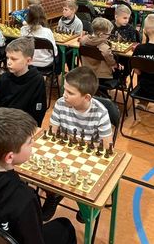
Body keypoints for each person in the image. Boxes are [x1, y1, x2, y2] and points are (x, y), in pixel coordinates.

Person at [0, 107, 77, 244]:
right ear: (9, 157)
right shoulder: (24, 198)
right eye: (29, 142)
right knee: (65, 226)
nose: (33, 143)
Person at [43, 66, 113, 221]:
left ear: (86, 97)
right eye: (64, 89)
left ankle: (85, 205)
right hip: (63, 153)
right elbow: (52, 133)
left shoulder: (100, 113)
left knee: (86, 180)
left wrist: (75, 141)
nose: (64, 95)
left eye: (70, 92)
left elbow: (107, 147)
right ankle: (53, 195)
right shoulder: (61, 103)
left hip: (89, 159)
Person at [0, 37, 47, 126]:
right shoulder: (4, 78)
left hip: (23, 126)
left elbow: (38, 112)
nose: (8, 62)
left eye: (14, 59)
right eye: (7, 58)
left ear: (28, 61)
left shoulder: (37, 80)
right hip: (1, 123)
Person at [21, 4, 59, 72]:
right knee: (60, 55)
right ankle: (57, 75)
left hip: (28, 62)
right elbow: (54, 52)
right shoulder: (47, 32)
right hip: (45, 63)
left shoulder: (23, 30)